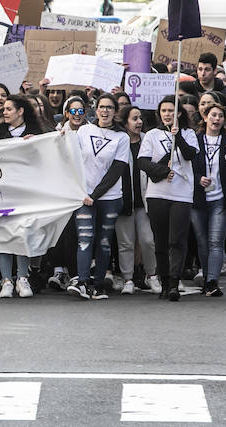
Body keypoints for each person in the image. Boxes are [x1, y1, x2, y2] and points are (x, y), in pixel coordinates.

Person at [66, 93, 130, 300]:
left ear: (115, 111)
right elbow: (70, 157)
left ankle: (98, 284)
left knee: (103, 241)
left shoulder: (122, 137)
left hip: (110, 198)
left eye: (109, 108)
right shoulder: (84, 131)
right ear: (96, 109)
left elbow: (117, 170)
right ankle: (83, 282)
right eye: (102, 107)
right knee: (85, 239)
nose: (105, 111)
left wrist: (95, 195)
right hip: (84, 197)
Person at [137, 95, 196, 301]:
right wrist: (162, 171)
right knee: (160, 241)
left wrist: (177, 136)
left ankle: (174, 282)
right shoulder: (152, 135)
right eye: (164, 111)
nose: (167, 114)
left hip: (181, 194)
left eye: (171, 110)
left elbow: (190, 155)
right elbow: (143, 163)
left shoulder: (189, 133)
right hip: (157, 194)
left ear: (178, 113)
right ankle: (163, 281)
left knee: (177, 240)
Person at [0, 95, 47, 297]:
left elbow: (47, 155)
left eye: (8, 109)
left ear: (20, 111)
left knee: (23, 232)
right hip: (4, 191)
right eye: (3, 109)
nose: (4, 112)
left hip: (26, 192)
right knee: (3, 234)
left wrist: (37, 145)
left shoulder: (37, 132)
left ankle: (22, 277)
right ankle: (7, 279)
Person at [189, 101, 226, 297]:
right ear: (205, 118)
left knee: (216, 241)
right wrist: (198, 178)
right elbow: (185, 165)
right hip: (198, 200)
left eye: (220, 116)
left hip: (220, 199)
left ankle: (212, 281)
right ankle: (207, 276)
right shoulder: (194, 140)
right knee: (202, 241)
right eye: (213, 115)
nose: (216, 119)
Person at [114, 105, 156, 294]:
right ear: (125, 123)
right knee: (125, 243)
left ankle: (152, 275)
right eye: (134, 118)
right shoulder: (119, 142)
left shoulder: (148, 140)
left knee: (148, 240)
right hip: (125, 201)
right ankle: (128, 278)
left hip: (145, 201)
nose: (139, 122)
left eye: (140, 118)